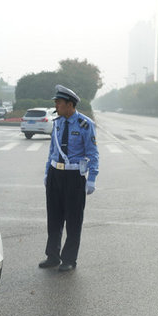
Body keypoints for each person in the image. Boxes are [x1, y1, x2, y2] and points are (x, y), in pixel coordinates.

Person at [38, 84, 99, 272]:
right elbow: (52, 151)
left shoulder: (85, 124)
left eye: (59, 102)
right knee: (54, 218)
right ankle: (53, 256)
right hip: (56, 175)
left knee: (73, 220)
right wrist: (48, 172)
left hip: (74, 177)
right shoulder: (57, 123)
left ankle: (69, 259)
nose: (56, 105)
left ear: (70, 105)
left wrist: (92, 178)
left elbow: (93, 153)